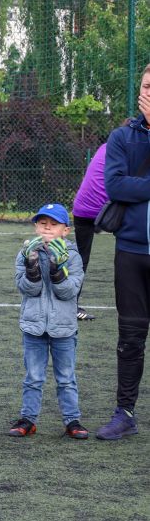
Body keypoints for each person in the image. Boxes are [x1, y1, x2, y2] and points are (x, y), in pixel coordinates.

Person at [96, 64, 150, 440]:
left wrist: (138, 185)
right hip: (130, 252)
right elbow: (115, 187)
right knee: (130, 338)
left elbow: (130, 186)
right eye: (147, 86)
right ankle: (125, 413)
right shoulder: (121, 137)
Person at [7, 204, 88, 439]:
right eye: (43, 223)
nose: (48, 228)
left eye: (54, 224)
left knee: (66, 378)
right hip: (33, 327)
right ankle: (28, 419)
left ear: (66, 230)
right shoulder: (25, 253)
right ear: (36, 227)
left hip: (64, 328)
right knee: (33, 377)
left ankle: (72, 420)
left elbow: (69, 292)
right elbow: (27, 289)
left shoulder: (73, 256)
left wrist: (57, 269)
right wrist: (31, 267)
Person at [70, 142, 108, 322]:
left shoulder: (105, 146)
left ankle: (70, 306)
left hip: (81, 208)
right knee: (132, 251)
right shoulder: (132, 149)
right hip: (102, 211)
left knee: (81, 260)